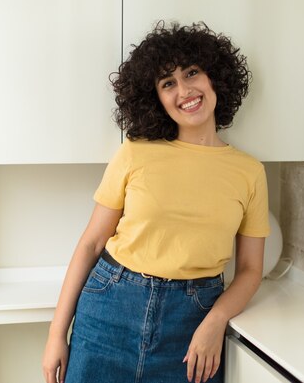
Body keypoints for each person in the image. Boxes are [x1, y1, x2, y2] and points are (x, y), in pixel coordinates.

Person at [42, 21, 270, 383]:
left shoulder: (249, 172)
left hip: (193, 322)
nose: (185, 90)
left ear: (215, 79)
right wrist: (56, 334)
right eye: (168, 83)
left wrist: (215, 322)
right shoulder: (135, 152)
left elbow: (250, 271)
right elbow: (92, 243)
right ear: (157, 99)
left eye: (192, 72)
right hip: (109, 309)